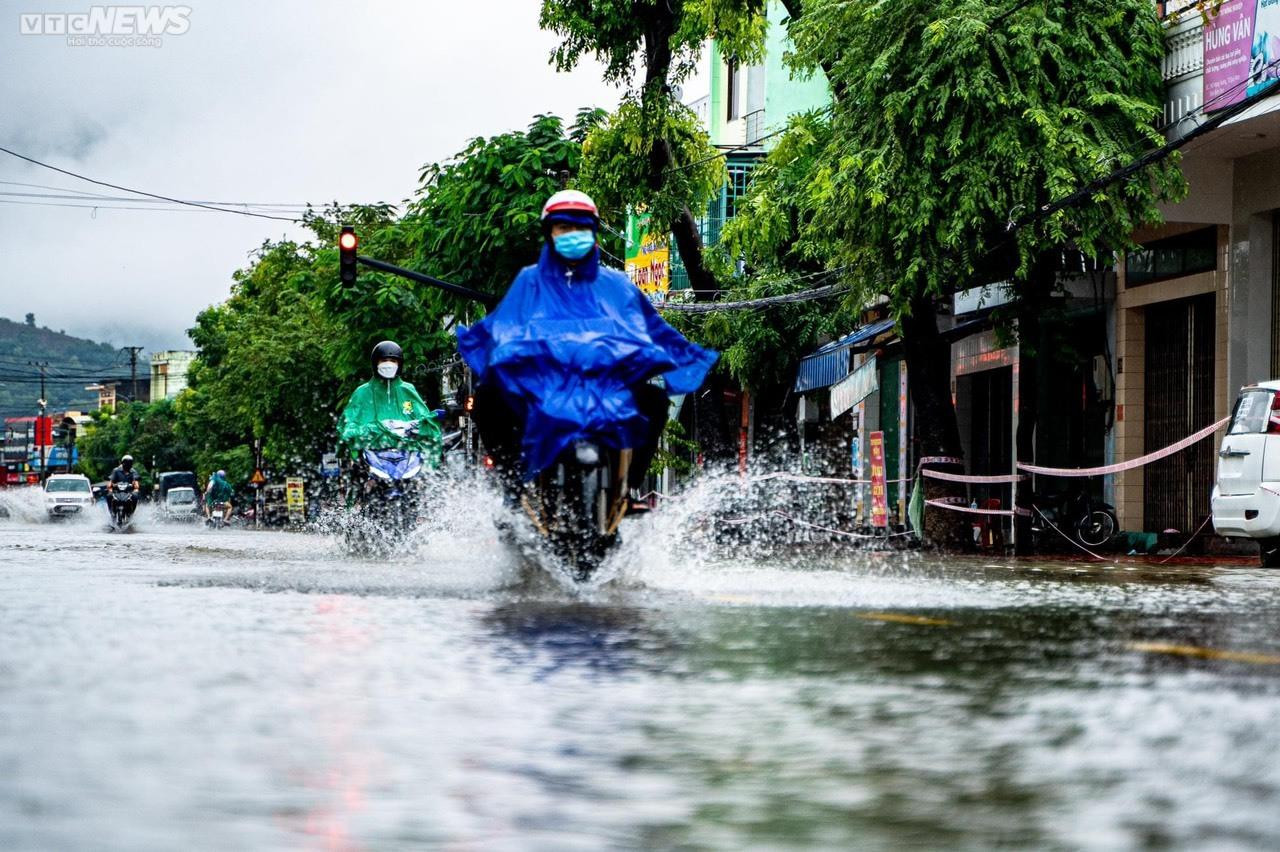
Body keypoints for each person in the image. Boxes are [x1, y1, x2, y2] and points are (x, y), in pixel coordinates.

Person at [457, 189, 718, 498]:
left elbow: (655, 329)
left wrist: (684, 356)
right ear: (550, 233)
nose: (572, 235)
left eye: (580, 227)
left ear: (593, 232)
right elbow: (499, 328)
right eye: (563, 228)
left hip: (606, 387)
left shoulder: (617, 284)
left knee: (656, 403)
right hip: (544, 389)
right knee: (487, 401)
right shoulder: (530, 281)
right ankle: (514, 485)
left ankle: (628, 489)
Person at [338, 340, 442, 461]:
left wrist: (415, 426)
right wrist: (376, 428)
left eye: (393, 361)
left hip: (408, 457)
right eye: (383, 360)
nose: (388, 364)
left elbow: (426, 423)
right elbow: (347, 427)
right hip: (370, 457)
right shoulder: (362, 393)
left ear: (399, 364)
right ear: (375, 363)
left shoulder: (408, 390)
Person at [107, 454, 140, 521]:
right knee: (109, 496)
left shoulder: (133, 471)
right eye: (126, 462)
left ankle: (131, 513)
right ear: (122, 463)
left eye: (129, 462)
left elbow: (136, 481)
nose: (128, 464)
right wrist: (110, 486)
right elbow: (111, 481)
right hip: (117, 492)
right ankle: (112, 513)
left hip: (128, 493)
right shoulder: (116, 471)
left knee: (135, 496)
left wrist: (136, 487)